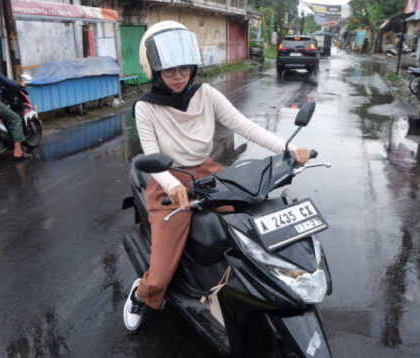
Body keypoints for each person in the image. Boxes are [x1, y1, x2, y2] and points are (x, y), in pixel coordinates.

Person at [122, 21, 312, 331]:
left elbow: (244, 125)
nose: (178, 76)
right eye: (169, 70)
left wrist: (288, 150)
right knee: (160, 274)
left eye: (184, 68)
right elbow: (151, 154)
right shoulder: (145, 107)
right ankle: (141, 294)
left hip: (208, 174)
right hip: (168, 181)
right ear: (155, 71)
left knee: (249, 227)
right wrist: (173, 186)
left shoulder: (206, 94)